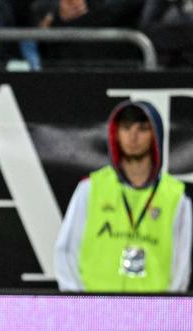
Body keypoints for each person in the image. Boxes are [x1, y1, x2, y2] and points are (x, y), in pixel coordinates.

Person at [54, 101, 191, 293]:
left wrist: (165, 311)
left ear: (155, 135)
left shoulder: (176, 197)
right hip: (95, 311)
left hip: (152, 315)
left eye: (142, 129)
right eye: (126, 128)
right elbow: (66, 252)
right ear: (115, 134)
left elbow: (181, 267)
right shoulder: (90, 188)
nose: (133, 136)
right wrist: (79, 306)